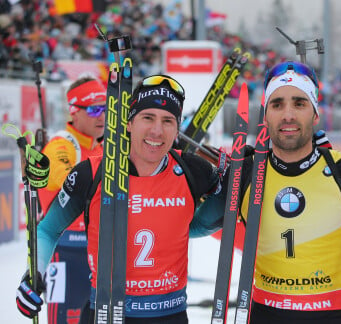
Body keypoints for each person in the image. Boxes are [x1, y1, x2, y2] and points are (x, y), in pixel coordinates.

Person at [16, 74, 225, 323]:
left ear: (177, 128)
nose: (157, 131)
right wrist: (33, 274)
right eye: (148, 118)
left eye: (168, 121)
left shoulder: (194, 170)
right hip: (106, 312)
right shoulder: (91, 172)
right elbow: (48, 229)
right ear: (128, 123)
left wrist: (237, 178)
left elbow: (198, 224)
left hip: (170, 313)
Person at [198, 61, 341, 323]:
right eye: (277, 104)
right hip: (264, 312)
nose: (288, 115)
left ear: (315, 114)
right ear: (265, 115)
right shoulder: (245, 174)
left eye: (299, 104)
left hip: (331, 314)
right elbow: (193, 226)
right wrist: (192, 175)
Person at [33, 75, 106, 324]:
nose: (102, 116)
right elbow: (68, 183)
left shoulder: (102, 146)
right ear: (74, 111)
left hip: (96, 255)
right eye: (94, 109)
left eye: (106, 109)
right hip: (63, 253)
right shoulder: (62, 145)